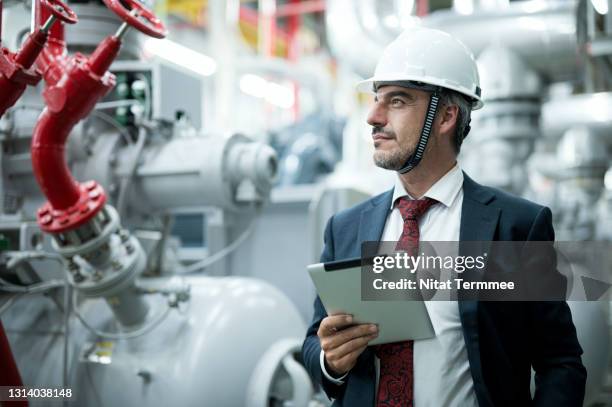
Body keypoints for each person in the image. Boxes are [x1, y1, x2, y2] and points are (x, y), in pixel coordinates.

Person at [301, 26, 586, 407]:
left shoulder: (516, 227)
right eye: (375, 99)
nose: (373, 116)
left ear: (446, 116)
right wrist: (330, 360)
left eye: (397, 101)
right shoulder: (345, 228)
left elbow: (560, 362)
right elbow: (313, 342)